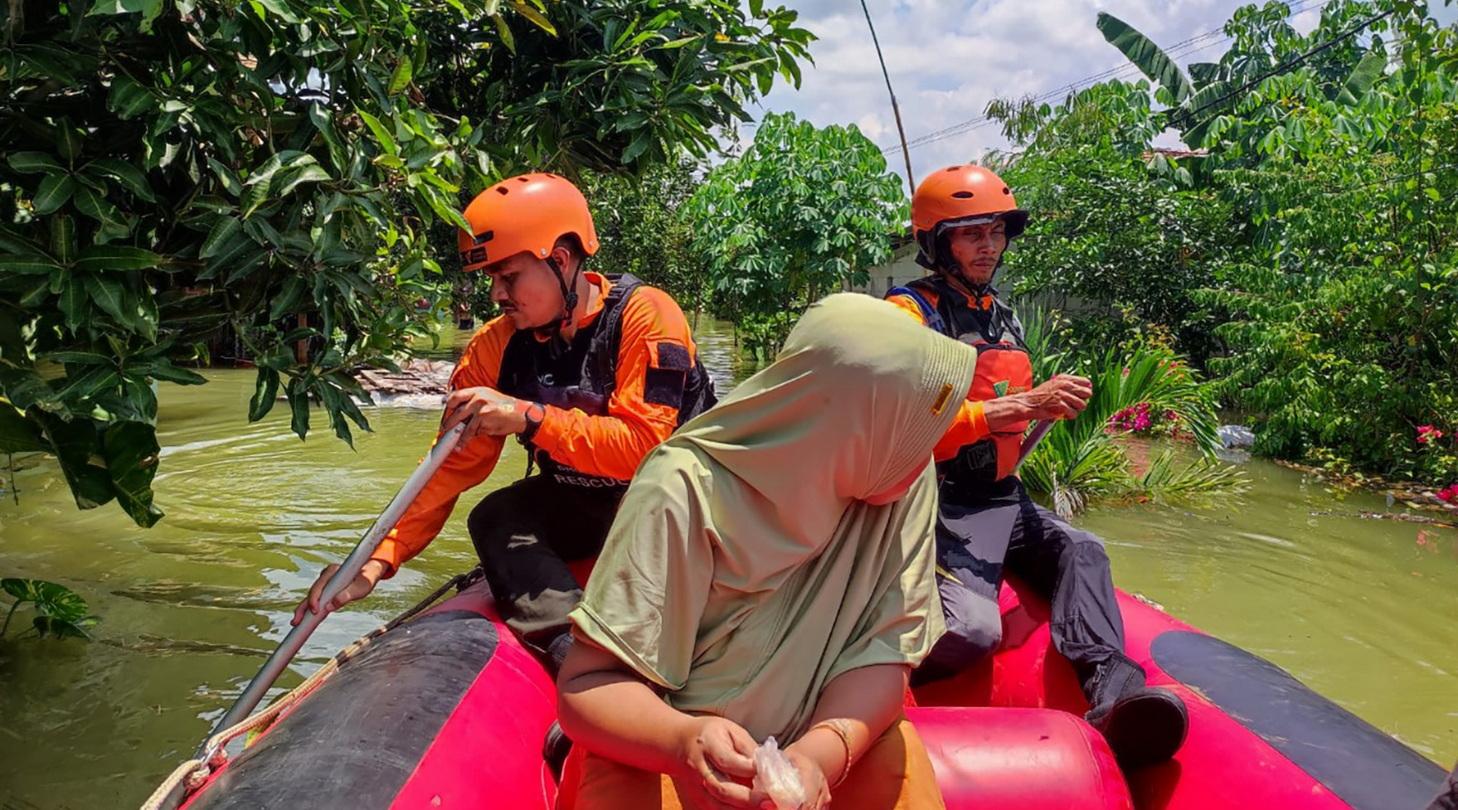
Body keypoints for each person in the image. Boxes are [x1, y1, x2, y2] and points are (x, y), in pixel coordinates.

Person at [556, 293, 974, 810]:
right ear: (848, 425)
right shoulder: (682, 489)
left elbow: (886, 654)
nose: (925, 448)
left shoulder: (902, 478)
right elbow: (589, 684)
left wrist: (820, 756)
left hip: (828, 737)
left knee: (897, 759)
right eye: (908, 429)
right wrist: (682, 742)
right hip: (673, 745)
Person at [291, 172, 715, 674]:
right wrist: (377, 560)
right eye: (490, 279)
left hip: (672, 502)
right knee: (495, 516)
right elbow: (449, 466)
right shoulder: (494, 347)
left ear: (559, 260)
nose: (496, 294)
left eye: (508, 277)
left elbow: (645, 446)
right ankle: (573, 657)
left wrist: (528, 418)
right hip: (590, 503)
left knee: (658, 493)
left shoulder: (646, 316)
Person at [886, 164, 1188, 769]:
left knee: (1085, 549)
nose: (988, 246)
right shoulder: (907, 315)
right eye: (971, 233)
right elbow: (900, 425)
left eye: (996, 232)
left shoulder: (1003, 315)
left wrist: (1045, 400)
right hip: (937, 501)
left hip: (1001, 496)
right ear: (936, 242)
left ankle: (1112, 698)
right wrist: (1026, 402)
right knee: (974, 631)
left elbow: (1008, 413)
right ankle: (865, 673)